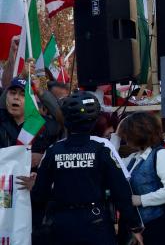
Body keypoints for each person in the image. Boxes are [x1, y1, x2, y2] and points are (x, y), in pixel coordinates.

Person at [30, 91, 144, 245]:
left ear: (66, 119)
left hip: (62, 225)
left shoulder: (53, 151)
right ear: (94, 120)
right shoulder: (102, 149)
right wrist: (134, 225)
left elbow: (39, 194)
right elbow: (121, 190)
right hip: (96, 222)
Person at [114, 112, 165, 245]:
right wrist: (116, 136)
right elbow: (113, 160)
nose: (125, 139)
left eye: (127, 134)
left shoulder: (161, 154)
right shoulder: (135, 157)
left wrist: (141, 200)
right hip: (139, 226)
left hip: (156, 225)